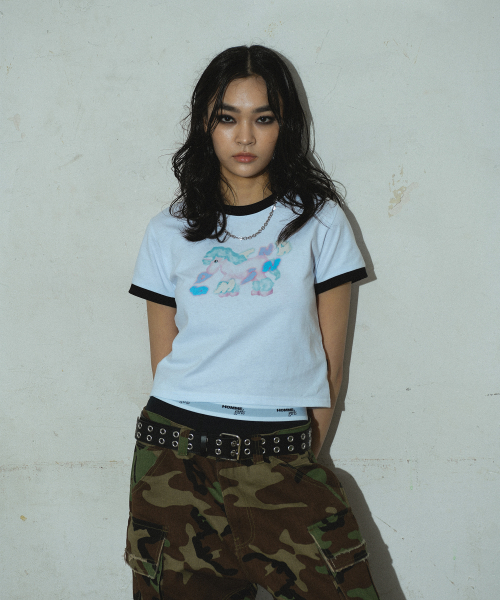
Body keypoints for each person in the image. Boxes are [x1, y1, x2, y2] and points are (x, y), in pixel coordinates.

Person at [124, 45, 380, 600]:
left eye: (263, 119)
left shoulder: (320, 221)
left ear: (285, 127)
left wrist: (302, 453)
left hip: (281, 453)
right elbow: (164, 359)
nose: (245, 137)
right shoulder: (168, 230)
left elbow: (330, 361)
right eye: (227, 118)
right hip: (175, 455)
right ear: (205, 125)